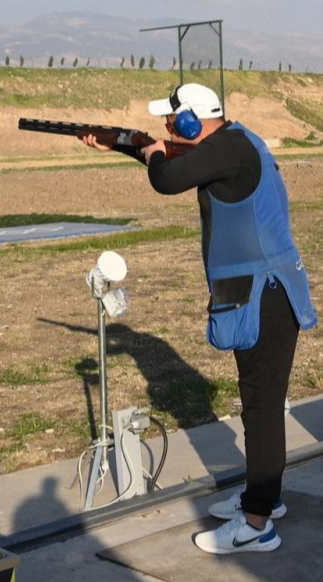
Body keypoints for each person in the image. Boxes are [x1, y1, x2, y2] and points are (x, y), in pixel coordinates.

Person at [82, 83, 317, 554]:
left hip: (263, 295)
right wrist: (123, 144)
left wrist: (147, 151)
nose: (167, 129)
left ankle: (256, 525)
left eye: (172, 122)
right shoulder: (235, 141)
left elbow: (166, 177)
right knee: (260, 405)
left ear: (191, 122)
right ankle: (263, 500)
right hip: (262, 290)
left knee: (262, 408)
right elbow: (175, 163)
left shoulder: (227, 150)